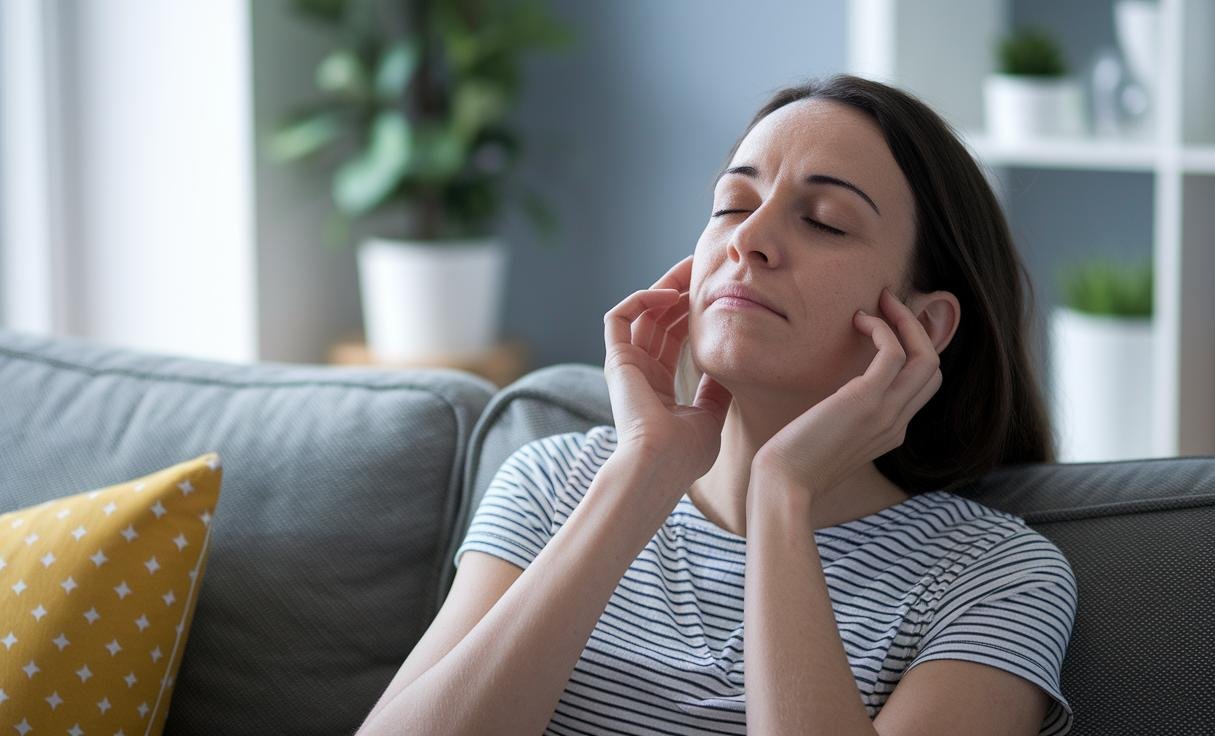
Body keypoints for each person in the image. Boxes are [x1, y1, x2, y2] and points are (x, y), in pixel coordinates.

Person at [356, 73, 1077, 736]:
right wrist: (643, 472)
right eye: (733, 204)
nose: (750, 240)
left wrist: (782, 495)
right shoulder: (554, 487)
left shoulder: (993, 577)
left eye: (824, 220)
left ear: (923, 326)